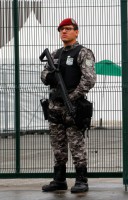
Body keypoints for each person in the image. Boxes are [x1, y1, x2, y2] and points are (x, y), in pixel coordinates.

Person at [40, 18, 96, 193]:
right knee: (58, 145)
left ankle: (81, 180)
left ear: (76, 32)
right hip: (55, 106)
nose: (64, 32)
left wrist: (72, 97)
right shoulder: (55, 54)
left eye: (68, 29)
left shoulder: (83, 53)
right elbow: (44, 75)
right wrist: (51, 77)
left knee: (76, 145)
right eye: (62, 29)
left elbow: (89, 79)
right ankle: (59, 179)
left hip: (73, 106)